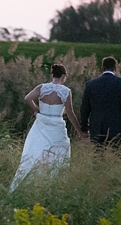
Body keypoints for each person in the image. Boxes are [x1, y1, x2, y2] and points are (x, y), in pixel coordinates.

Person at [10, 64, 85, 192]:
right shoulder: (65, 91)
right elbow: (70, 113)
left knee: (36, 151)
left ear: (53, 75)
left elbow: (27, 98)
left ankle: (28, 183)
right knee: (59, 153)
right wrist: (79, 131)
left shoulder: (42, 88)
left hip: (41, 123)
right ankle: (52, 185)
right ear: (63, 76)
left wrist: (37, 109)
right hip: (56, 125)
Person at [80, 56, 121, 150]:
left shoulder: (91, 85)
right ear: (115, 68)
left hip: (97, 128)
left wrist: (84, 127)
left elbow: (84, 108)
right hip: (116, 129)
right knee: (116, 158)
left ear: (102, 68)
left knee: (98, 158)